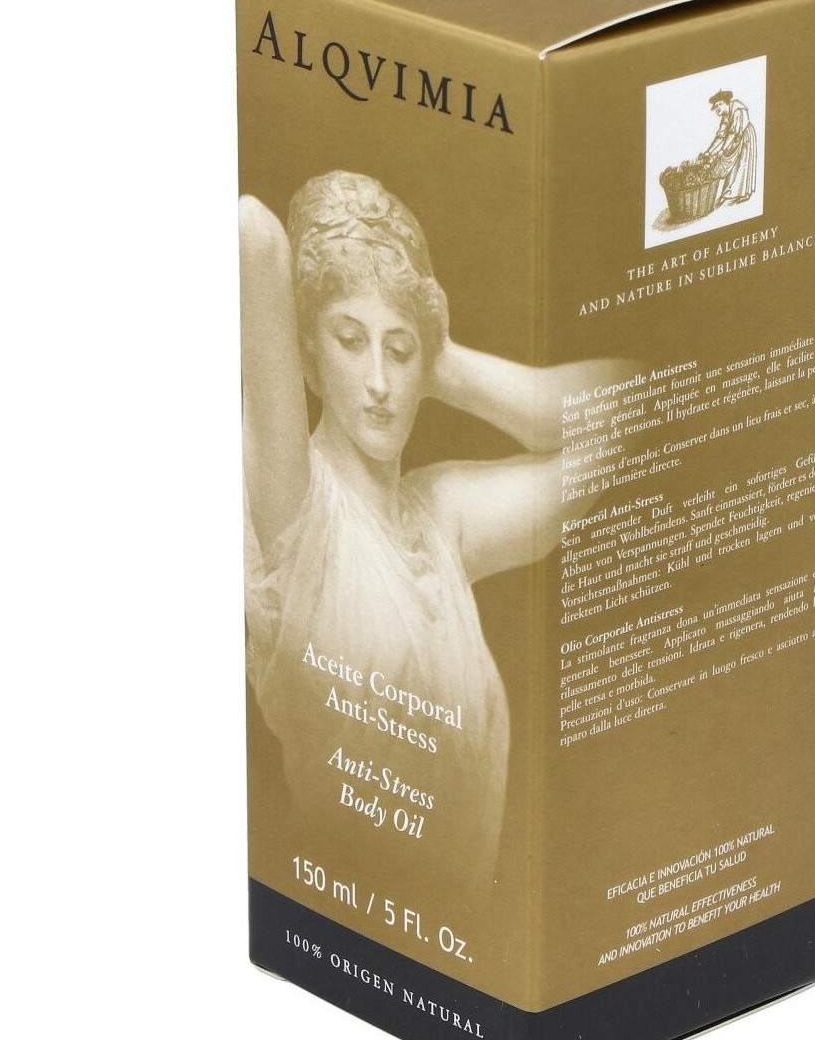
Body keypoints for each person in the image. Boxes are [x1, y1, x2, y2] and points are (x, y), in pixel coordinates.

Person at [241, 170, 632, 889]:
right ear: (309, 354)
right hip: (342, 906)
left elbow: (631, 405)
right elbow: (251, 233)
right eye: (349, 340)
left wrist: (443, 361)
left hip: (462, 929)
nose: (379, 382)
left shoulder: (440, 519)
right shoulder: (295, 507)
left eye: (397, 351)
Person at [700, 90, 757, 206]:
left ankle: (744, 194)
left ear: (724, 103)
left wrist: (722, 150)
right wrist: (708, 152)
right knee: (733, 167)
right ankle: (727, 194)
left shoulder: (737, 109)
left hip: (745, 136)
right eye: (715, 107)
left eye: (718, 105)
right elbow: (720, 136)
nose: (717, 109)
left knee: (743, 164)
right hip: (735, 140)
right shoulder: (725, 116)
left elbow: (732, 133)